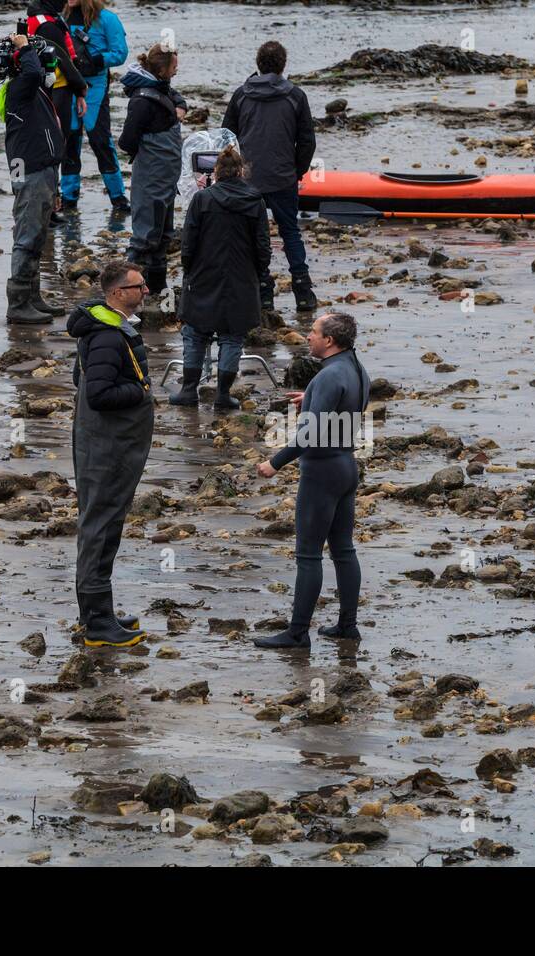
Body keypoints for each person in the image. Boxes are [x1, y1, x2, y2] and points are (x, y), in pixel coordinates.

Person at [254, 312, 370, 649]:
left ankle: (297, 633)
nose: (307, 336)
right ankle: (347, 626)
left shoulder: (329, 376)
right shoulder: (355, 367)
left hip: (321, 471)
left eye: (313, 332)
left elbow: (312, 434)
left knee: (308, 555)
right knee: (343, 550)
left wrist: (275, 462)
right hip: (346, 466)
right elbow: (346, 402)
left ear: (329, 341)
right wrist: (312, 398)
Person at [67, 260, 155, 646]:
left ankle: (96, 614)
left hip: (111, 446)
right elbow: (98, 395)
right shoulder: (106, 336)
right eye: (138, 287)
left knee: (103, 527)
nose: (146, 291)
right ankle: (98, 622)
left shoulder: (109, 328)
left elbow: (80, 377)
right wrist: (141, 391)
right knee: (99, 529)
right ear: (118, 293)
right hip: (107, 448)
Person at [168, 147, 271, 409]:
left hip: (204, 274)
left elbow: (188, 242)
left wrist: (188, 269)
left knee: (195, 333)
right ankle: (223, 395)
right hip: (241, 277)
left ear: (216, 172)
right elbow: (263, 246)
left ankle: (188, 390)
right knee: (232, 336)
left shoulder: (202, 200)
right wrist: (259, 275)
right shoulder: (255, 201)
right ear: (241, 171)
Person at [223, 40, 318, 312]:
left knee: (254, 235)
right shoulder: (295, 95)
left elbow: (227, 138)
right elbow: (307, 141)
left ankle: (264, 292)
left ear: (258, 64)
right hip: (282, 177)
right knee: (290, 233)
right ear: (283, 65)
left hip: (248, 179)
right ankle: (302, 291)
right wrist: (296, 170)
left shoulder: (242, 94)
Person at [0, 32, 66, 323]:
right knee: (27, 234)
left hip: (44, 167)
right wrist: (24, 47)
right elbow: (34, 71)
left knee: (38, 233)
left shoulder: (34, 89)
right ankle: (18, 302)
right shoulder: (20, 88)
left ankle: (32, 295)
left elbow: (41, 73)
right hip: (30, 167)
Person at [118, 44, 186, 298]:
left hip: (166, 178)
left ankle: (157, 288)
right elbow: (126, 141)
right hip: (150, 177)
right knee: (144, 238)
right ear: (163, 69)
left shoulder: (159, 88)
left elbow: (174, 95)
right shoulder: (142, 101)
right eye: (174, 67)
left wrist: (180, 105)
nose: (176, 72)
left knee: (163, 235)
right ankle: (123, 292)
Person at [64, 0, 130, 215]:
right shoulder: (60, 17)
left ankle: (118, 197)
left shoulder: (108, 19)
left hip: (95, 86)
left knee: (100, 140)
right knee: (70, 141)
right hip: (66, 86)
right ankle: (68, 198)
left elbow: (120, 53)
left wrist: (97, 59)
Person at [25, 0, 88, 223]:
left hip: (41, 91)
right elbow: (63, 59)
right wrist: (81, 87)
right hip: (57, 91)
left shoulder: (35, 19)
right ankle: (49, 208)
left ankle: (47, 206)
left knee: (45, 148)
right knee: (54, 148)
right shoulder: (49, 25)